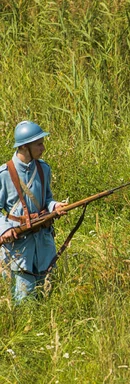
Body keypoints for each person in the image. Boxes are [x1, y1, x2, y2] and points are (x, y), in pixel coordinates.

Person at [0, 121, 67, 303]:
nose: (43, 148)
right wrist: (4, 229)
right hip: (20, 246)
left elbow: (47, 199)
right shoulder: (4, 174)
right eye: (38, 144)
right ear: (24, 146)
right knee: (24, 299)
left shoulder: (43, 169)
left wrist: (55, 206)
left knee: (47, 293)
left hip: (43, 243)